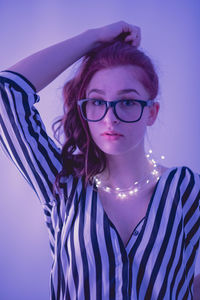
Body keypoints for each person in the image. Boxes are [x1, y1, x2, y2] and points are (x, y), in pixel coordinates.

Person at [0, 21, 199, 300]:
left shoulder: (186, 189)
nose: (110, 117)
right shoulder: (62, 184)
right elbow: (5, 95)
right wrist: (91, 38)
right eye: (97, 101)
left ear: (151, 112)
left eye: (127, 101)